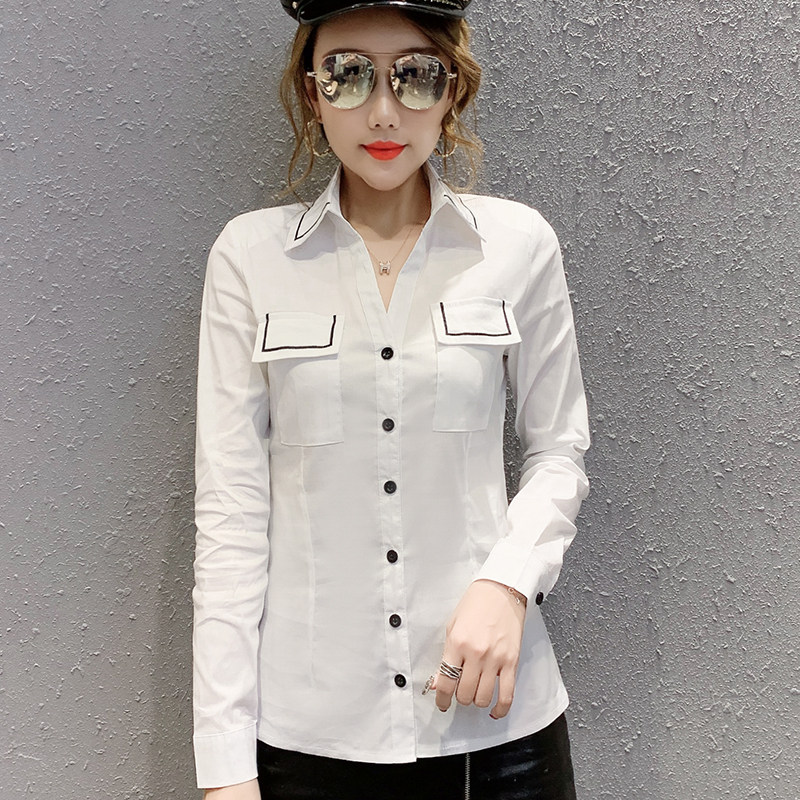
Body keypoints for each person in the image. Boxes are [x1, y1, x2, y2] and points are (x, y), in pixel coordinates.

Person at [192, 1, 590, 798]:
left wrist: (509, 582)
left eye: (415, 76)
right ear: (312, 94)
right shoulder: (249, 259)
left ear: (453, 91)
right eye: (348, 74)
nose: (382, 112)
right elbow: (231, 515)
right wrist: (224, 765)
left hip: (496, 729)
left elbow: (559, 451)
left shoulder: (518, 246)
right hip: (310, 740)